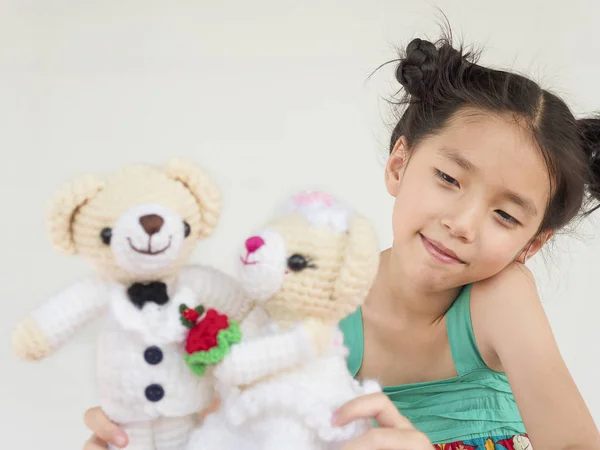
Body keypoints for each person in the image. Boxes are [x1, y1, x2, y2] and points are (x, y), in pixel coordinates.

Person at [82, 34, 600, 449]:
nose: (463, 222)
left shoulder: (500, 298)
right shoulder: (318, 303)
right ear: (400, 164)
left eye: (505, 215)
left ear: (531, 245)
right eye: (448, 179)